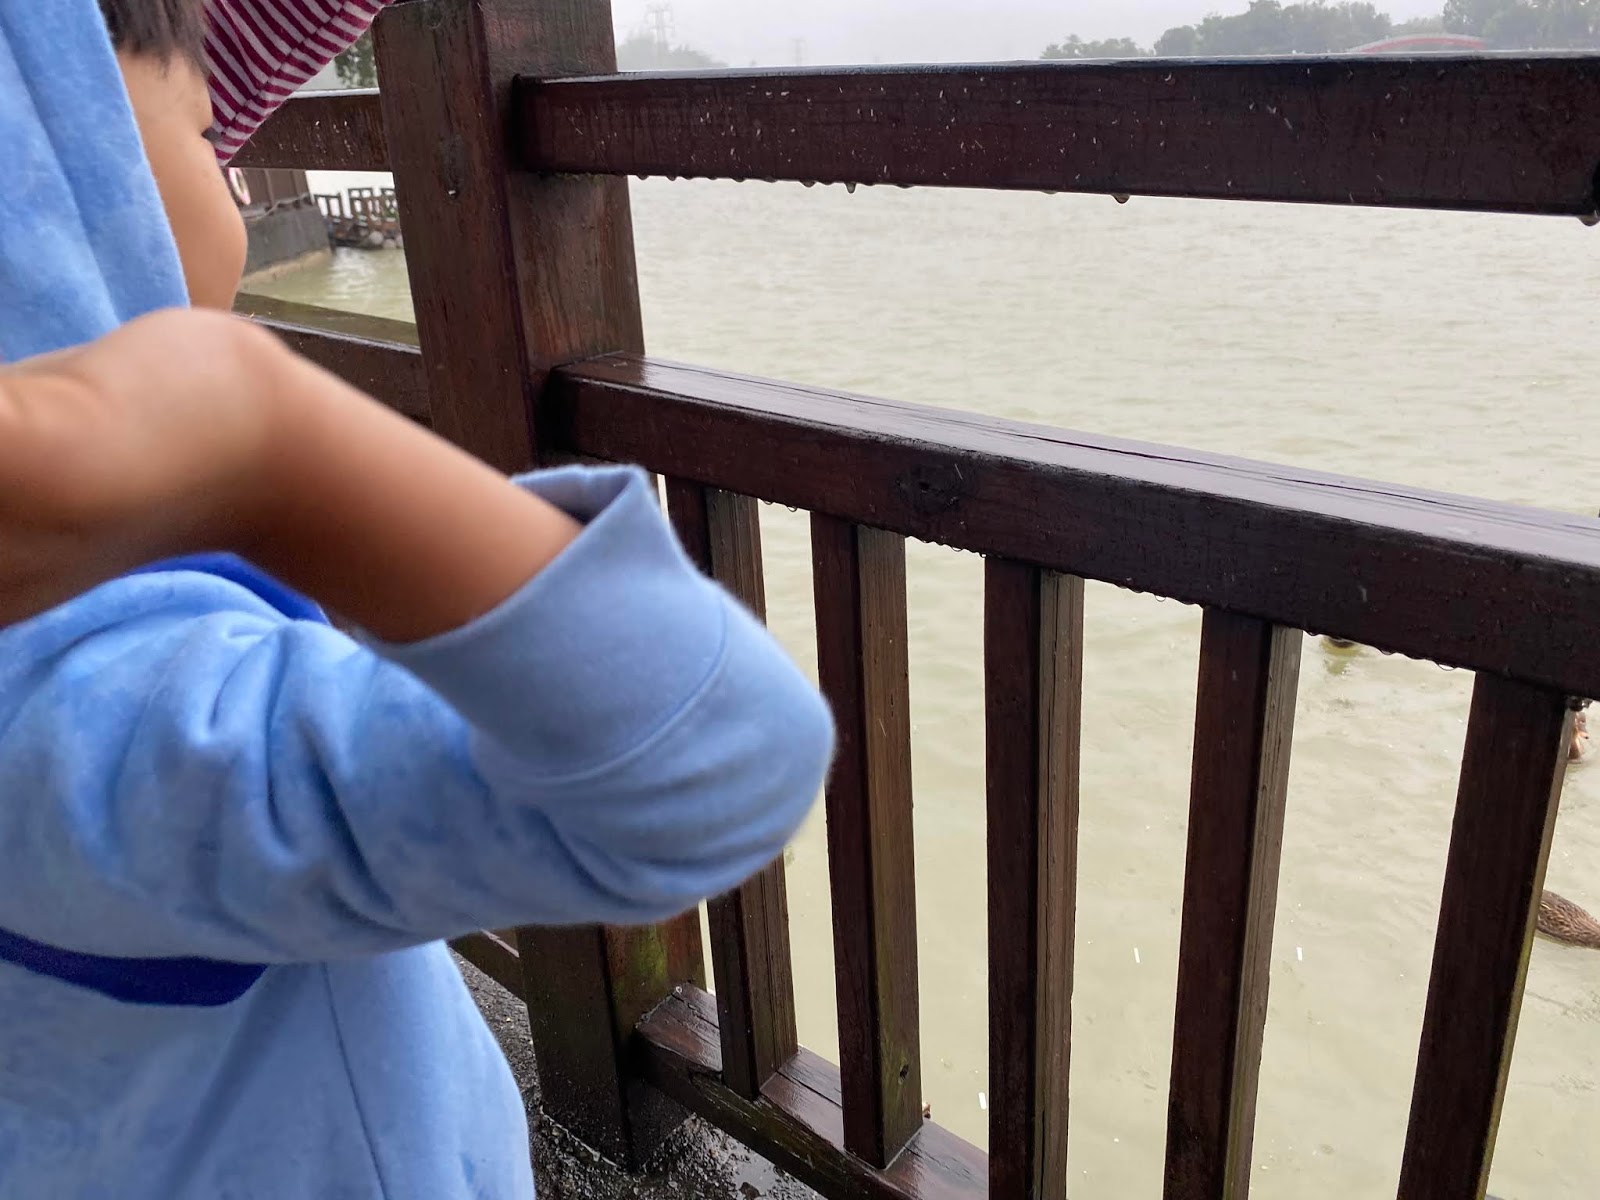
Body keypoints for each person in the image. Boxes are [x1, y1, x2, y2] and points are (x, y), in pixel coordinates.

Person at [0, 3, 834, 1197]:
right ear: (67, 203)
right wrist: (272, 444)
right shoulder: (116, 715)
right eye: (209, 136)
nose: (235, 188)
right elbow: (717, 757)